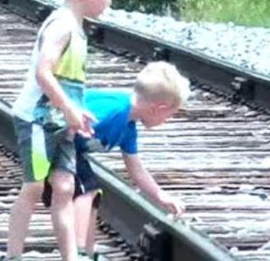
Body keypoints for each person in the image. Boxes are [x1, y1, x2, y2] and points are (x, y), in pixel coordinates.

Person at [5, 0, 119, 261]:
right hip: (38, 120)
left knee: (66, 187)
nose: (110, 1)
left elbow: (69, 82)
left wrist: (74, 111)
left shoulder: (78, 29)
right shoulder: (62, 26)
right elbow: (44, 72)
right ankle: (12, 254)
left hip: (61, 121)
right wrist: (69, 109)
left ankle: (71, 257)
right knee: (33, 187)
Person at [52, 61, 191, 260]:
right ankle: (78, 252)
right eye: (169, 115)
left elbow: (136, 169)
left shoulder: (128, 127)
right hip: (52, 142)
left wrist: (160, 196)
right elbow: (63, 120)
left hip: (70, 150)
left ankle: (88, 252)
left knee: (91, 191)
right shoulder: (114, 111)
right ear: (159, 108)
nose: (167, 120)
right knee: (86, 191)